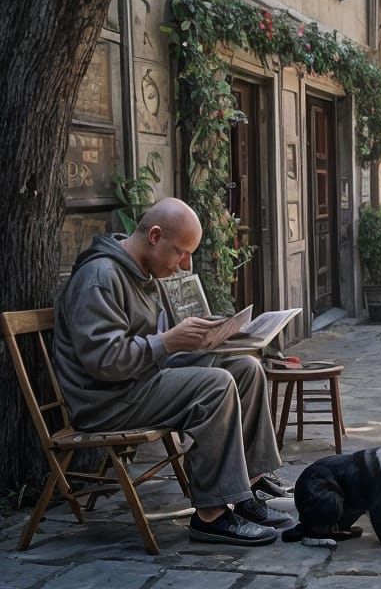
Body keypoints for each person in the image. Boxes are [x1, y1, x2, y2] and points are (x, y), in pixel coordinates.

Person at [53, 198, 289, 546]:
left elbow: (158, 341)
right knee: (216, 385)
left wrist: (210, 334)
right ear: (154, 235)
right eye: (181, 252)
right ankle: (211, 515)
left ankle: (247, 487)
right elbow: (104, 362)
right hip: (107, 401)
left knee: (245, 368)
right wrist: (168, 341)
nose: (185, 264)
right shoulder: (101, 277)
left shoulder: (143, 273)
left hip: (139, 383)